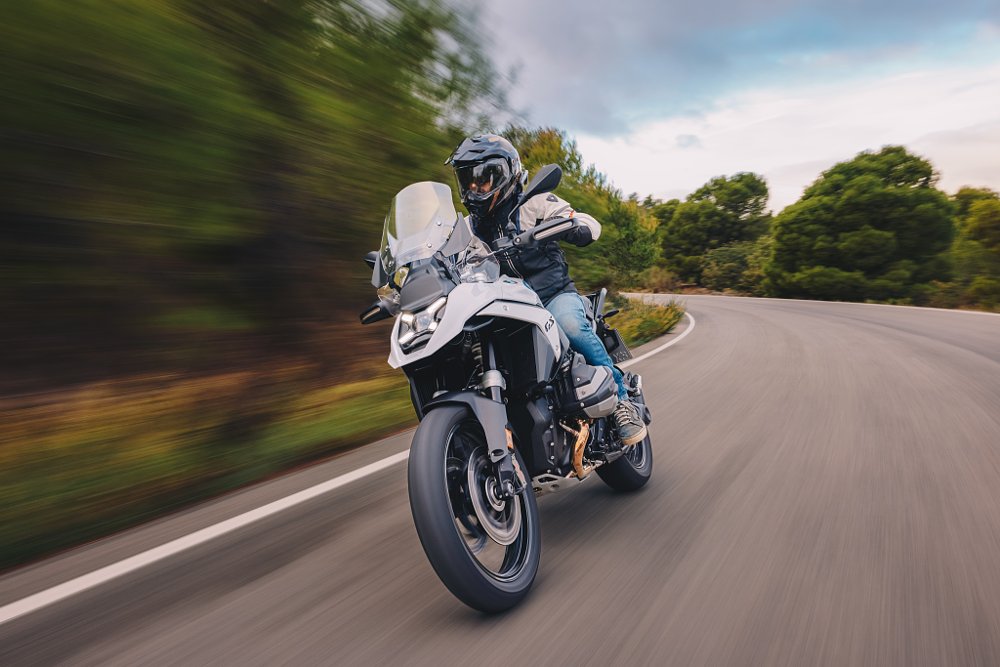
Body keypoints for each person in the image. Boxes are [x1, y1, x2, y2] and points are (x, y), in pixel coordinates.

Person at [446, 134, 647, 446]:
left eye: (482, 179)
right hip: (504, 306)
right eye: (467, 181)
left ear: (504, 174)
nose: (474, 188)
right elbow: (453, 258)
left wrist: (574, 227)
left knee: (570, 324)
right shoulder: (469, 229)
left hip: (552, 296)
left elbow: (584, 222)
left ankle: (621, 402)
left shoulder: (534, 202)